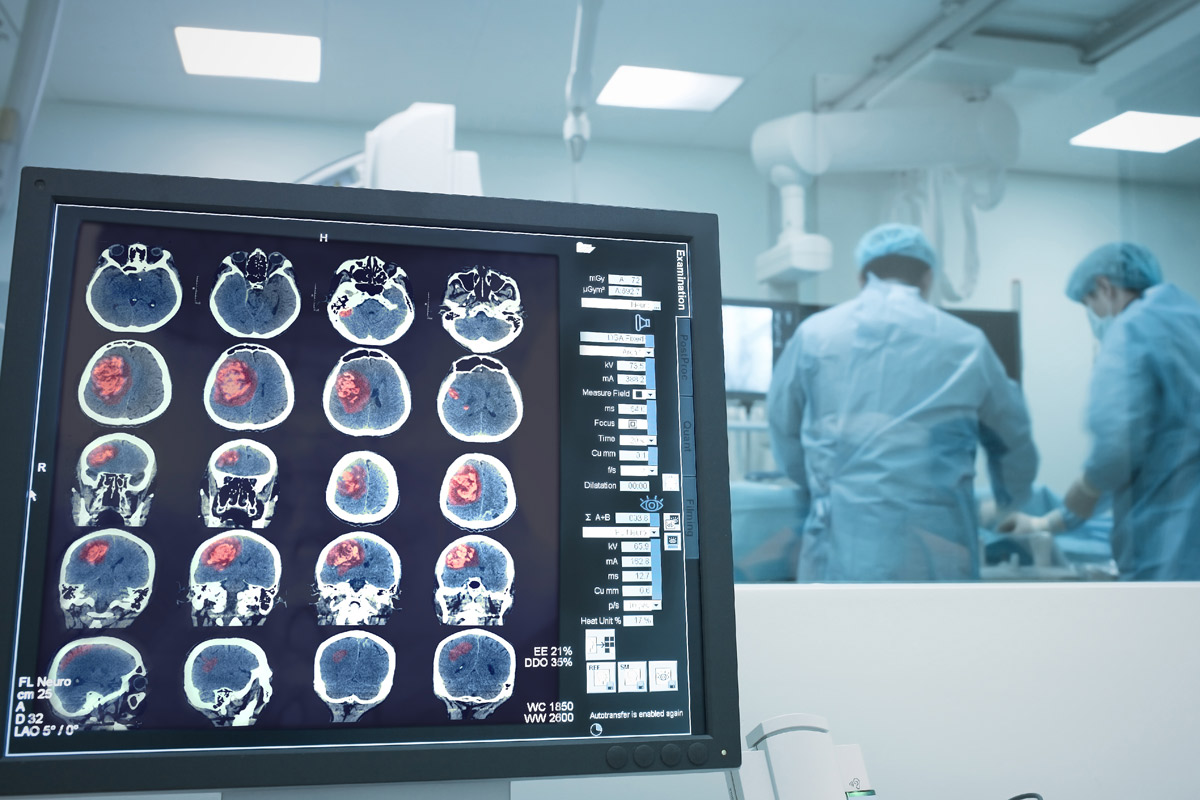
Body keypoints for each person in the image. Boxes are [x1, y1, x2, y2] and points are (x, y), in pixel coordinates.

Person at [767, 223, 1038, 581]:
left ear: (862, 278)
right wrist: (1008, 504)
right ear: (927, 278)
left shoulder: (817, 334)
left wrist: (820, 486)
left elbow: (782, 423)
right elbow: (1013, 439)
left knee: (839, 635)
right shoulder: (967, 343)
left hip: (842, 544)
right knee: (933, 636)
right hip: (938, 548)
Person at [1000, 243, 1200, 580]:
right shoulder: (1190, 318)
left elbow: (1116, 447)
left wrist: (1086, 488)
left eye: (1089, 304)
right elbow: (1142, 456)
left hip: (1169, 546)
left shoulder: (1133, 327)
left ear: (1106, 288)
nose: (1093, 317)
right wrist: (1047, 522)